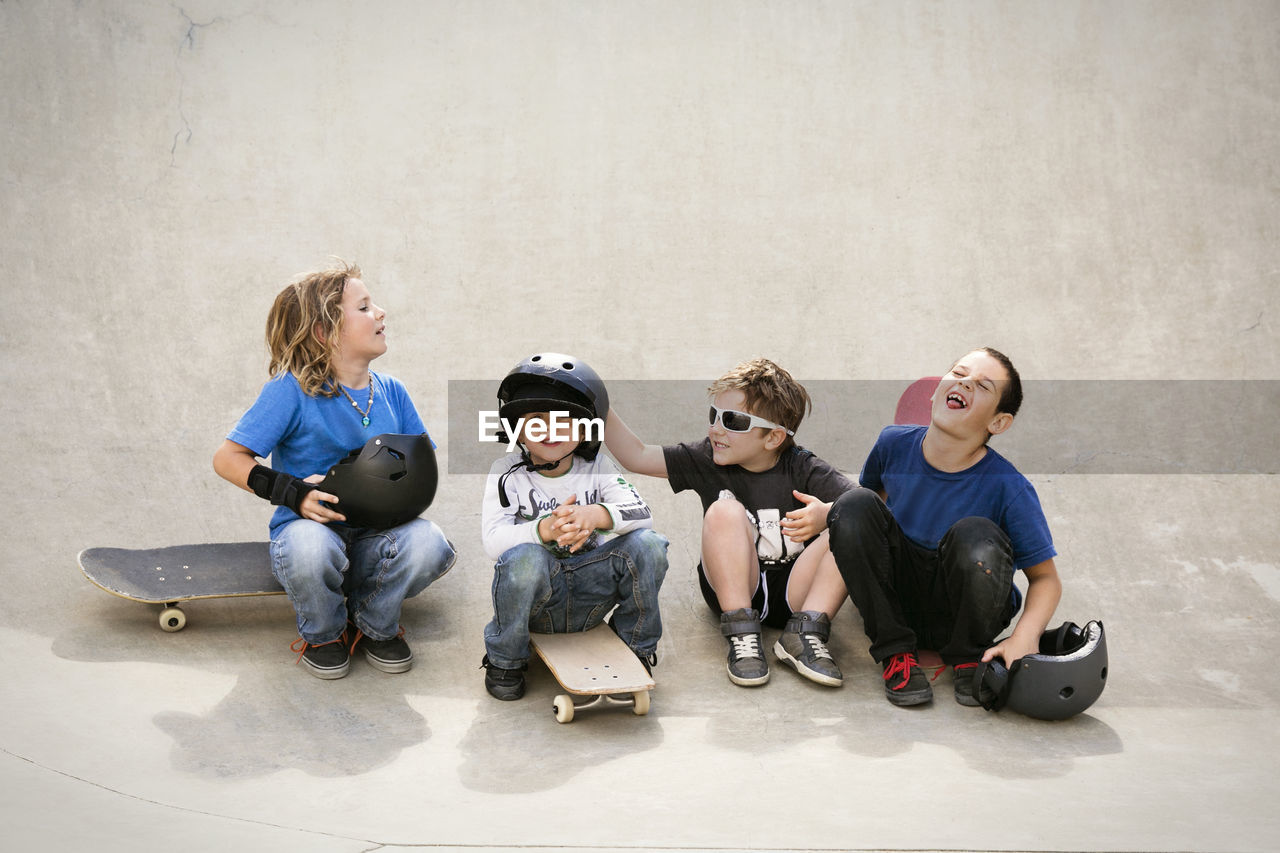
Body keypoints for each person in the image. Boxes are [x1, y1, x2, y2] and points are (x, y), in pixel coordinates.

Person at [212, 261, 455, 679]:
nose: (380, 312)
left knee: (430, 543)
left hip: (377, 535)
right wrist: (292, 492)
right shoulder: (291, 391)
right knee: (309, 550)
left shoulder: (392, 391)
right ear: (325, 331)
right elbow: (227, 459)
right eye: (364, 307)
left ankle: (372, 623)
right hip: (312, 532)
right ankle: (323, 632)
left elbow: (420, 459)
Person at [826, 347, 1062, 707]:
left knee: (974, 535)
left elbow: (1046, 580)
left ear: (998, 422)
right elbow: (868, 513)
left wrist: (1024, 638)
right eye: (959, 373)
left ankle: (968, 656)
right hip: (898, 602)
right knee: (853, 503)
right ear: (937, 391)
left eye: (982, 386)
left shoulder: (1008, 487)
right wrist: (828, 512)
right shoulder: (892, 444)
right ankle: (896, 653)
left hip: (964, 609)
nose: (965, 384)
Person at [605, 358, 855, 688]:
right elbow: (635, 456)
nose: (716, 429)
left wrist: (826, 514)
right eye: (714, 415)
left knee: (850, 522)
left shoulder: (804, 468)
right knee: (724, 510)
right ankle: (742, 636)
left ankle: (805, 634)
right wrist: (596, 401)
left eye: (733, 420)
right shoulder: (706, 458)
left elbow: (868, 505)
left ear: (773, 438)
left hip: (796, 593)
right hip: (734, 589)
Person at [479, 353, 669, 701]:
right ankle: (505, 658)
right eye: (535, 419)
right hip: (541, 599)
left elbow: (643, 513)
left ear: (586, 429)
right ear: (515, 429)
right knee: (522, 558)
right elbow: (493, 542)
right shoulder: (505, 473)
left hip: (592, 590)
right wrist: (543, 531)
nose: (548, 430)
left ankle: (635, 646)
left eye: (563, 420)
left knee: (649, 544)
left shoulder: (597, 465)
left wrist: (595, 515)